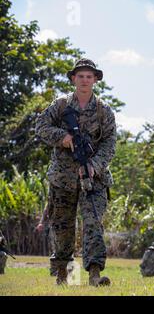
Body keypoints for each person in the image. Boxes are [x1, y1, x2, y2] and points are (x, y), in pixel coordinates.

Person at [35, 58, 116, 286]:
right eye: (80, 76)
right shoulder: (60, 105)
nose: (84, 80)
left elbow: (110, 144)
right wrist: (63, 138)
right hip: (63, 178)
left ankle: (94, 274)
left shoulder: (104, 110)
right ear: (73, 79)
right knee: (62, 226)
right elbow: (40, 127)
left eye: (89, 76)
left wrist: (94, 165)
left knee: (93, 224)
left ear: (95, 80)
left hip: (94, 178)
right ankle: (64, 274)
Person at [35, 199, 57, 276]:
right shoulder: (55, 190)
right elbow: (47, 209)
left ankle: (66, 270)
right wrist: (41, 223)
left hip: (69, 225)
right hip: (55, 225)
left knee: (67, 249)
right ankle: (54, 271)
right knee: (55, 248)